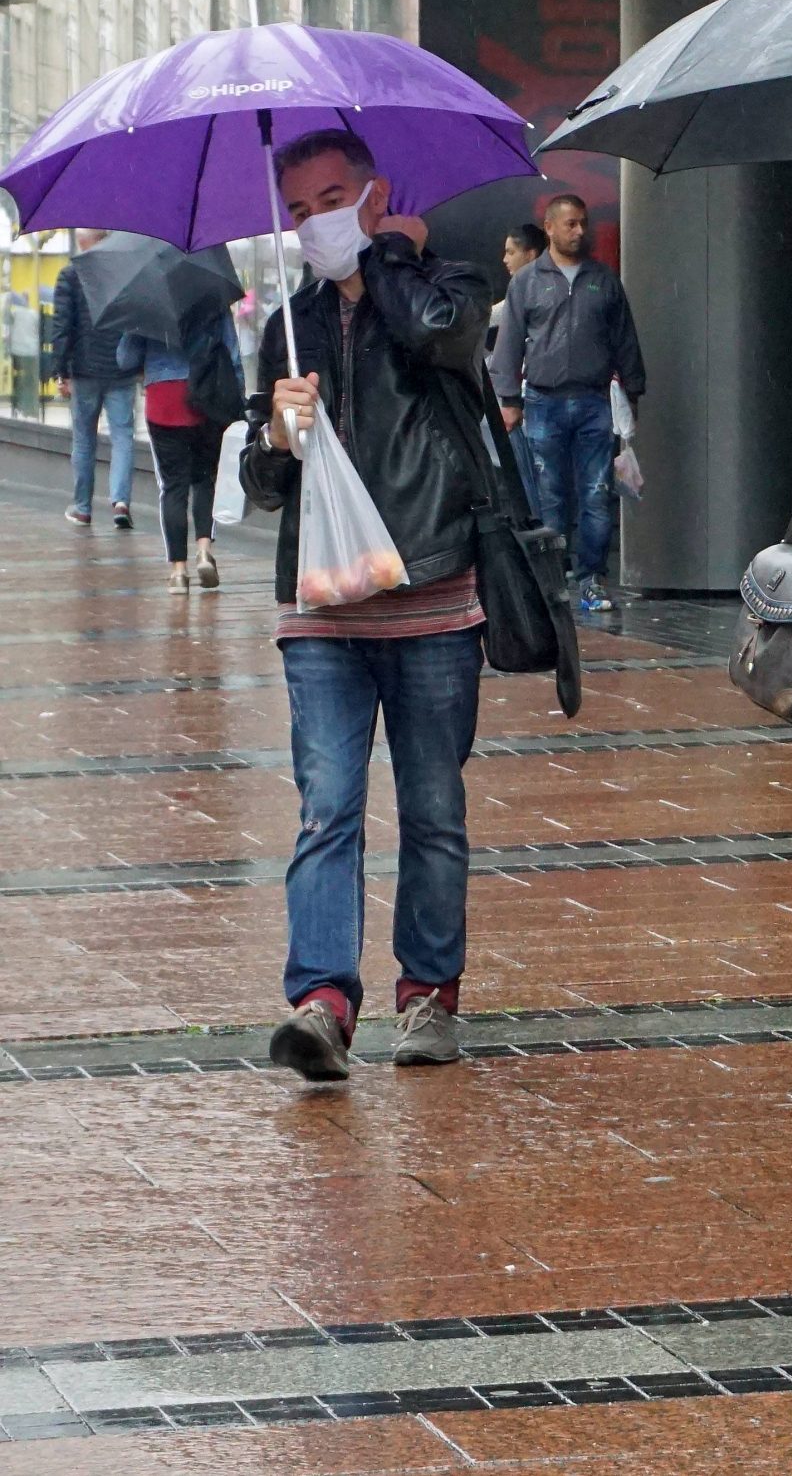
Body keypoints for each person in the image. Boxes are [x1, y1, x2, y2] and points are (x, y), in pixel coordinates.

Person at [238, 129, 496, 1084]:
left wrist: (383, 259)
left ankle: (429, 994)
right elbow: (259, 484)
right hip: (320, 610)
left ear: (374, 194)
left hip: (432, 591)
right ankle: (322, 1003)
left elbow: (443, 338)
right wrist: (276, 430)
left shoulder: (444, 284)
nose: (314, 223)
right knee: (327, 807)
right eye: (298, 210)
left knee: (433, 806)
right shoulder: (286, 328)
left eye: (331, 199)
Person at [489, 193, 646, 614]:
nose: (580, 231)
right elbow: (509, 344)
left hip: (595, 401)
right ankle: (554, 581)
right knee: (550, 497)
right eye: (571, 224)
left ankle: (592, 579)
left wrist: (633, 392)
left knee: (596, 495)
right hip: (543, 402)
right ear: (550, 227)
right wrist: (508, 400)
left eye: (583, 223)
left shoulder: (604, 279)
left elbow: (625, 339)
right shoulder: (526, 282)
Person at [121, 310, 245, 591]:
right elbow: (232, 354)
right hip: (204, 395)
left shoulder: (146, 302)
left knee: (173, 486)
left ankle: (178, 571)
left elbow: (125, 360)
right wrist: (237, 400)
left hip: (163, 400)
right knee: (205, 478)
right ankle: (204, 550)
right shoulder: (212, 296)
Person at [50, 231, 138, 529]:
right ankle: (121, 502)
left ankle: (83, 508)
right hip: (121, 369)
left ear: (84, 242)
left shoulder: (70, 274)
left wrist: (61, 370)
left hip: (85, 371)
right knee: (123, 436)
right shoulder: (125, 273)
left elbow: (62, 325)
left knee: (85, 439)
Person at [489, 223, 546, 486]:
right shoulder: (527, 287)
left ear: (531, 254)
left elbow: (489, 317)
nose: (504, 259)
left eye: (511, 252)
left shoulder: (530, 288)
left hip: (535, 399)